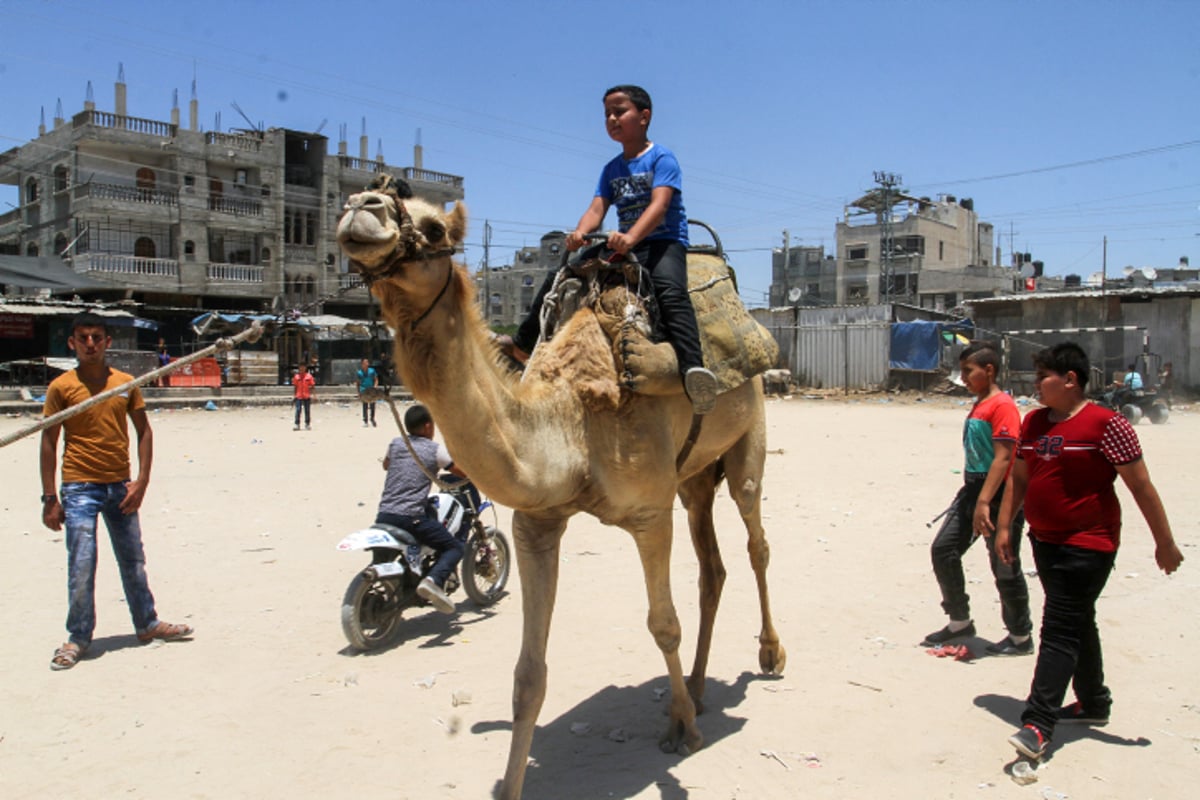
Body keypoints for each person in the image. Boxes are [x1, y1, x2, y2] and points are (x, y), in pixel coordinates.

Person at [995, 342, 1183, 761]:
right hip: (1044, 542)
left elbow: (1140, 486)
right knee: (1078, 620)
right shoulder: (1035, 422)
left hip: (1089, 544)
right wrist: (1005, 526)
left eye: (1043, 376)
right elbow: (1019, 479)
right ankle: (1093, 701)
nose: (1036, 383)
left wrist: (1164, 542)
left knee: (1059, 626)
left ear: (1070, 380)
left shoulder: (1107, 424)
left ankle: (1037, 723)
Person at [510, 84, 719, 414]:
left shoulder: (662, 158)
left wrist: (632, 237)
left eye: (619, 111)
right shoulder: (611, 169)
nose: (611, 119)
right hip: (623, 244)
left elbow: (659, 205)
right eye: (607, 113)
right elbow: (596, 209)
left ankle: (693, 369)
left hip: (663, 242)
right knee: (561, 275)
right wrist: (580, 232)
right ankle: (523, 345)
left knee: (670, 291)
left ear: (644, 116)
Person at [40, 312, 194, 671]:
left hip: (120, 486)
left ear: (108, 342)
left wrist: (142, 481)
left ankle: (147, 623)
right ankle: (78, 637)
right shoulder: (61, 387)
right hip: (79, 487)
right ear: (72, 343)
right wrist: (50, 498)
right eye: (83, 338)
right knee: (82, 564)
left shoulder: (125, 382)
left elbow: (144, 432)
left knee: (134, 561)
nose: (90, 344)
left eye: (96, 337)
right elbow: (49, 441)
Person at [923, 341, 1033, 656]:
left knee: (1004, 564)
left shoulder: (1003, 406)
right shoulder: (980, 403)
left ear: (989, 370)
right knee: (944, 550)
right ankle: (960, 621)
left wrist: (985, 502)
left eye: (969, 371)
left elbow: (1003, 458)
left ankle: (1020, 636)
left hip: (1000, 496)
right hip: (973, 491)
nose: (965, 378)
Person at [375, 404, 466, 614]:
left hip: (384, 514)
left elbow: (386, 465)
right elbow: (459, 471)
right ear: (427, 426)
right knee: (454, 548)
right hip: (410, 518)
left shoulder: (396, 443)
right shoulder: (434, 450)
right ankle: (433, 580)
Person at [356, 358, 378, 427]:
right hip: (363, 390)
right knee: (365, 405)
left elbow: (376, 379)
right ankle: (365, 420)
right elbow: (357, 383)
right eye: (365, 363)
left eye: (367, 362)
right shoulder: (359, 373)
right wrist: (358, 392)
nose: (366, 364)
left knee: (372, 405)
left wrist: (375, 386)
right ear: (362, 364)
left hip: (371, 389)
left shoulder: (372, 371)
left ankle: (372, 418)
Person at [292, 362, 315, 431]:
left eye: (303, 367)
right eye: (300, 367)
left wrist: (314, 395)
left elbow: (312, 386)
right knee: (298, 410)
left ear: (305, 368)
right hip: (299, 395)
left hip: (306, 395)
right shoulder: (296, 377)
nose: (302, 368)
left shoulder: (309, 376)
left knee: (307, 410)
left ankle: (307, 424)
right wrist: (294, 395)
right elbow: (295, 387)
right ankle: (297, 424)